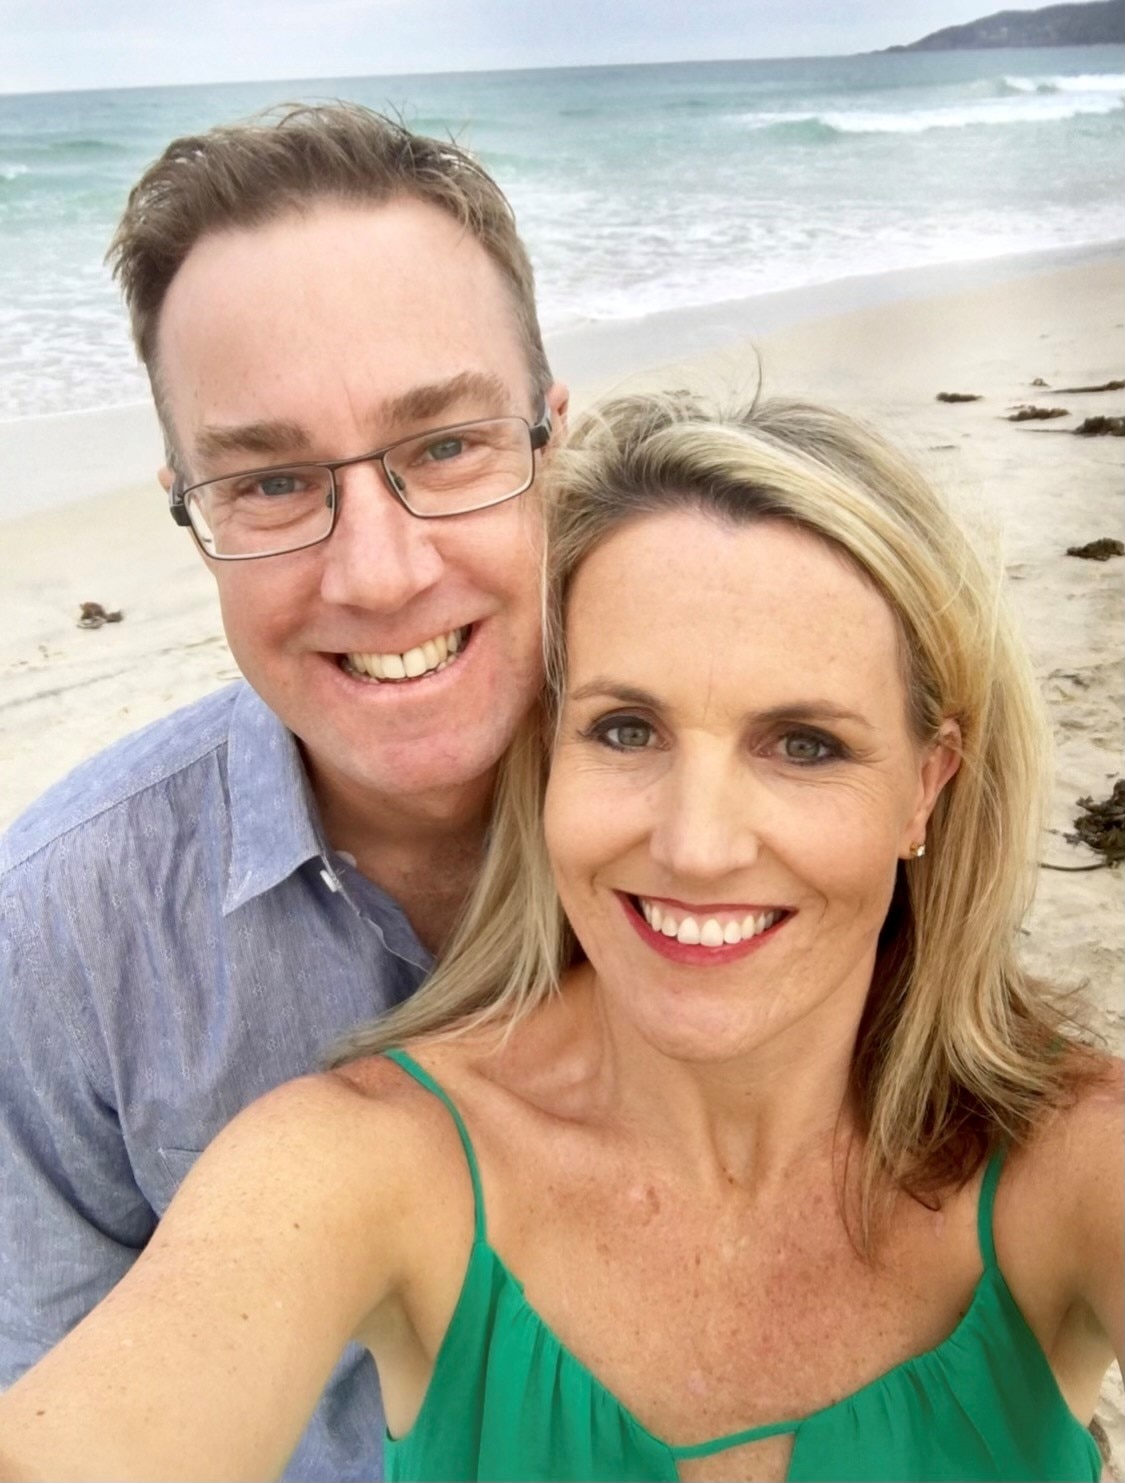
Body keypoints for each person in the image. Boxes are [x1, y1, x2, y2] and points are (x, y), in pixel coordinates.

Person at [1, 392, 1120, 1482]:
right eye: (626, 729)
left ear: (928, 787)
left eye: (805, 745)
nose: (696, 844)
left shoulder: (1071, 1164)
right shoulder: (364, 1166)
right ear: (551, 759)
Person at [0, 103, 568, 1479]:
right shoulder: (65, 928)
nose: (377, 572)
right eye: (271, 481)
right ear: (190, 512)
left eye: (443, 447)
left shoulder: (750, 833)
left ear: (554, 439)